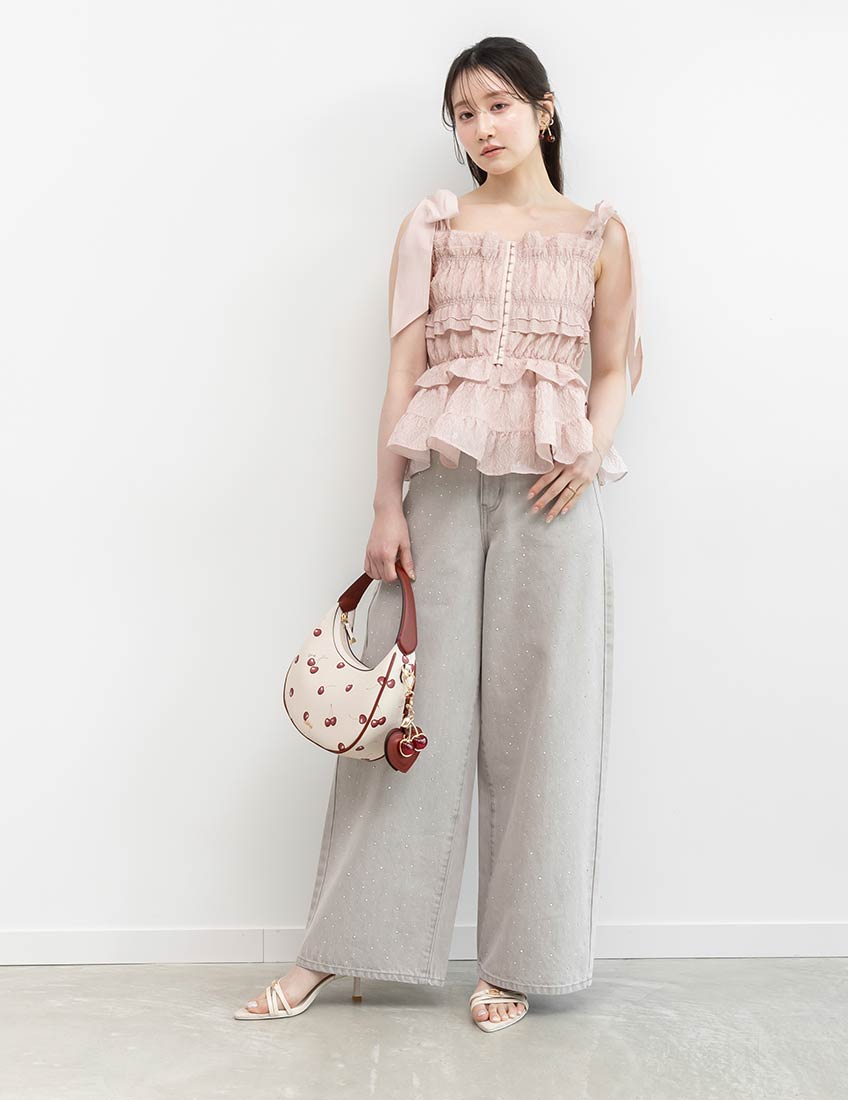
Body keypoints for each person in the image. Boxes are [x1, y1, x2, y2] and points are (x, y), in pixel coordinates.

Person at [235, 35, 644, 1033]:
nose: (482, 127)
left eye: (499, 105)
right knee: (404, 724)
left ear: (543, 109)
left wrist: (591, 449)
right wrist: (385, 502)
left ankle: (519, 962)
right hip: (445, 494)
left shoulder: (599, 232)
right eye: (464, 113)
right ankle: (336, 949)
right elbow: (402, 372)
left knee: (546, 728)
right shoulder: (432, 224)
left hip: (553, 497)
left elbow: (616, 363)